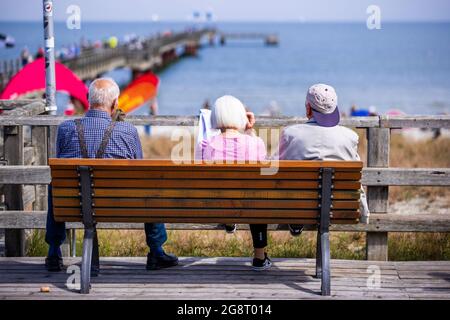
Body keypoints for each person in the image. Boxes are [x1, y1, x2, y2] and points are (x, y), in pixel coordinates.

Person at [45, 78, 178, 272]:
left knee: (56, 185)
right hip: (120, 204)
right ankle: (156, 251)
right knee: (150, 185)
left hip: (76, 205)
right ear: (116, 103)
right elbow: (140, 170)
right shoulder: (128, 131)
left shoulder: (65, 129)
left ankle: (53, 251)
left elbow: (60, 167)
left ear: (88, 99)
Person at [278, 84, 370, 236]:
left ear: (308, 108)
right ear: (334, 108)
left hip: (297, 206)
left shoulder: (290, 134)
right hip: (339, 207)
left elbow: (278, 167)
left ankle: (297, 218)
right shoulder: (350, 137)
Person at [195, 95, 272, 271]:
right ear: (241, 117)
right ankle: (259, 257)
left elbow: (201, 178)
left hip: (215, 204)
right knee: (257, 194)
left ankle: (229, 220)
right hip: (249, 205)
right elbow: (263, 177)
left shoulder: (205, 145)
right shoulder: (255, 143)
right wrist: (250, 130)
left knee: (227, 191)